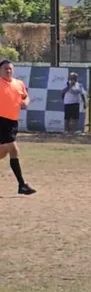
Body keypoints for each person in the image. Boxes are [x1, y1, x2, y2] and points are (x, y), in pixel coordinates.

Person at [0, 60, 34, 195]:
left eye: (10, 68)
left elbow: (26, 97)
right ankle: (22, 185)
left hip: (12, 122)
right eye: (5, 68)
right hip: (1, 120)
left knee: (4, 152)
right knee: (13, 149)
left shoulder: (18, 83)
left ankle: (22, 186)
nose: (8, 70)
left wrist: (25, 102)